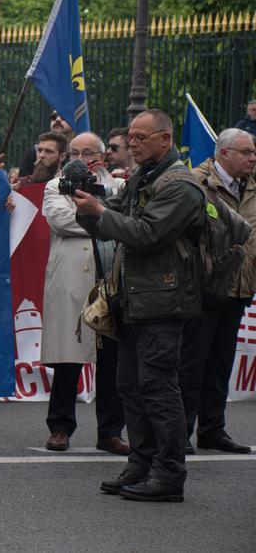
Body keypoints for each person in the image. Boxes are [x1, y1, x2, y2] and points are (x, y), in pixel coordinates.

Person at [73, 109, 205, 502]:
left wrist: (99, 214)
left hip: (165, 302)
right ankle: (141, 464)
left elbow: (147, 234)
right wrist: (88, 211)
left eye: (141, 137)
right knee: (130, 385)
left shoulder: (180, 185)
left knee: (159, 389)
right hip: (135, 299)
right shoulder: (143, 178)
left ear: (165, 139)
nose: (132, 142)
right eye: (130, 136)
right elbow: (115, 221)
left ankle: (169, 474)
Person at [40, 132, 128, 455]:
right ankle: (60, 427)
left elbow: (125, 220)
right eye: (74, 151)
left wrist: (100, 213)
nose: (80, 157)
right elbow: (61, 219)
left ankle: (110, 431)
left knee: (112, 360)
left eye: (87, 151)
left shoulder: (118, 186)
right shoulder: (55, 185)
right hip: (70, 278)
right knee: (69, 357)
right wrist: (103, 216)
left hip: (109, 278)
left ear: (102, 157)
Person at [179, 128, 256, 455]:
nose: (252, 158)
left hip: (240, 285)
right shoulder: (197, 181)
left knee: (221, 362)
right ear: (224, 154)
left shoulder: (252, 186)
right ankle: (180, 431)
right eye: (246, 152)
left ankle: (213, 429)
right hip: (205, 285)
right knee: (192, 362)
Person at [18, 111, 73, 177]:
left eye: (64, 116)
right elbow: (23, 184)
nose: (57, 119)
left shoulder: (80, 155)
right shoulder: (33, 153)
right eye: (53, 116)